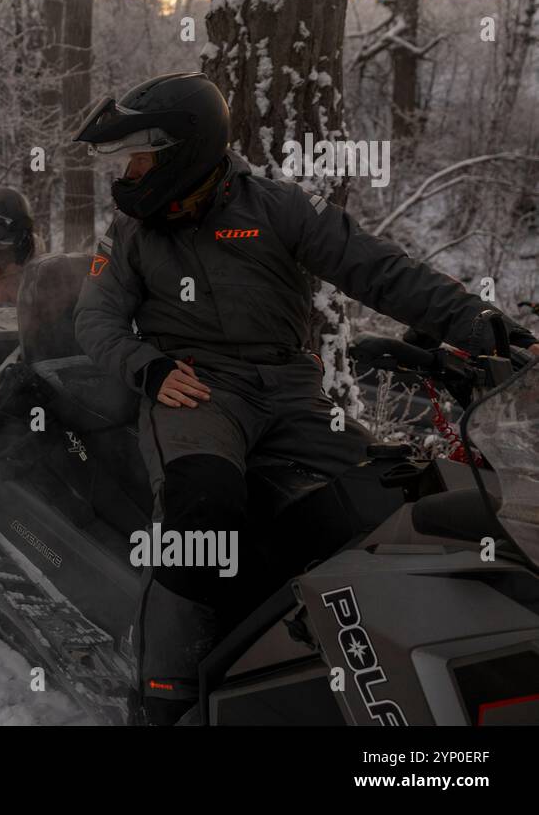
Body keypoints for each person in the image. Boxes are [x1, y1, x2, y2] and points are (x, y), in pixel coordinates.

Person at [71, 71, 539, 726]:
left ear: (186, 152)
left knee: (379, 498)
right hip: (196, 386)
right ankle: (163, 689)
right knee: (198, 511)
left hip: (290, 385)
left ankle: (321, 650)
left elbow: (378, 268)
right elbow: (95, 321)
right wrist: (145, 368)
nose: (131, 170)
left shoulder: (278, 207)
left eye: (141, 155)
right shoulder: (129, 235)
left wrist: (472, 319)